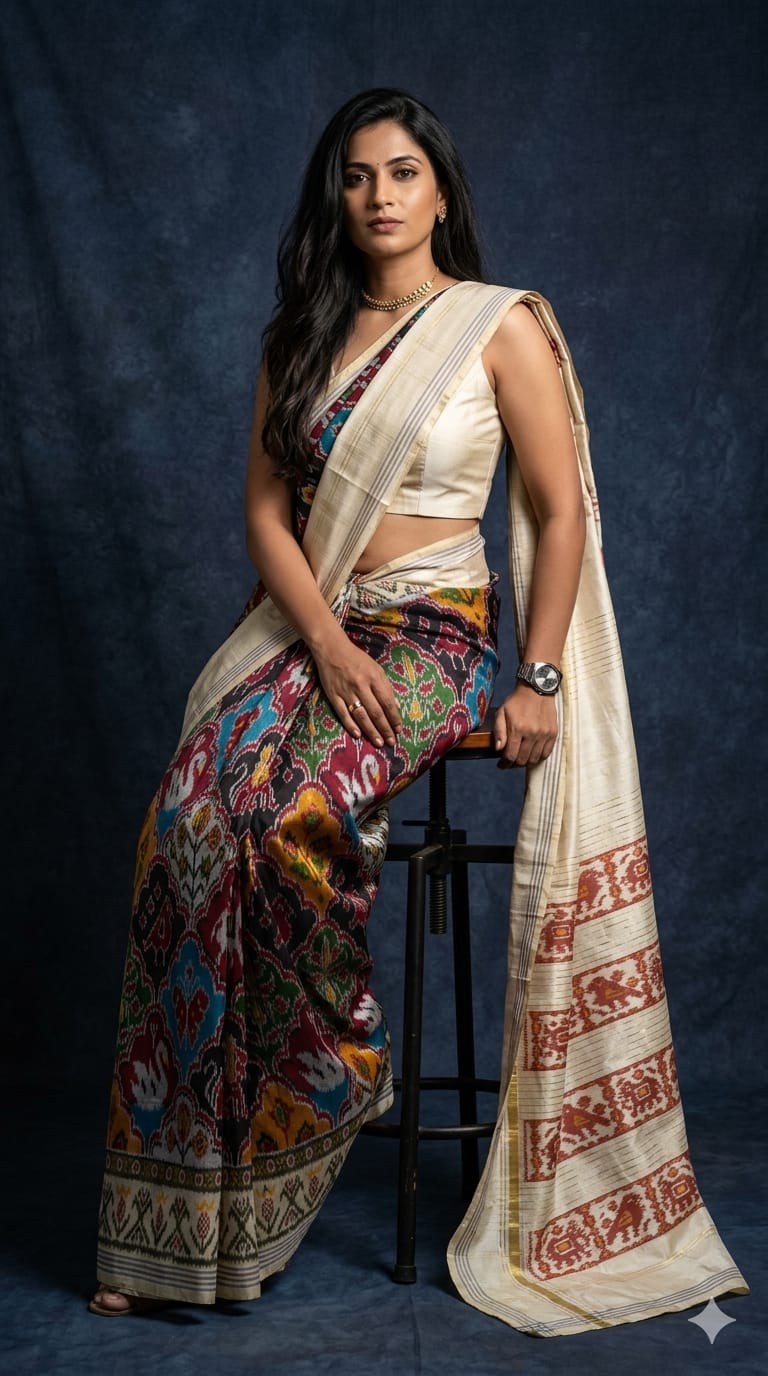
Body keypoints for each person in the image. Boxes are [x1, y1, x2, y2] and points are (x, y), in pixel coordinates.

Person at [90, 89, 746, 1334]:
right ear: (334, 197)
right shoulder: (300, 335)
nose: (379, 195)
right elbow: (267, 520)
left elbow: (558, 513)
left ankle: (332, 1067)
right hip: (314, 626)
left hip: (438, 636)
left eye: (402, 171)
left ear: (440, 188)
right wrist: (326, 641)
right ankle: (178, 1220)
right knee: (183, 825)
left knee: (288, 809)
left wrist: (537, 674)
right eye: (354, 175)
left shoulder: (499, 328)